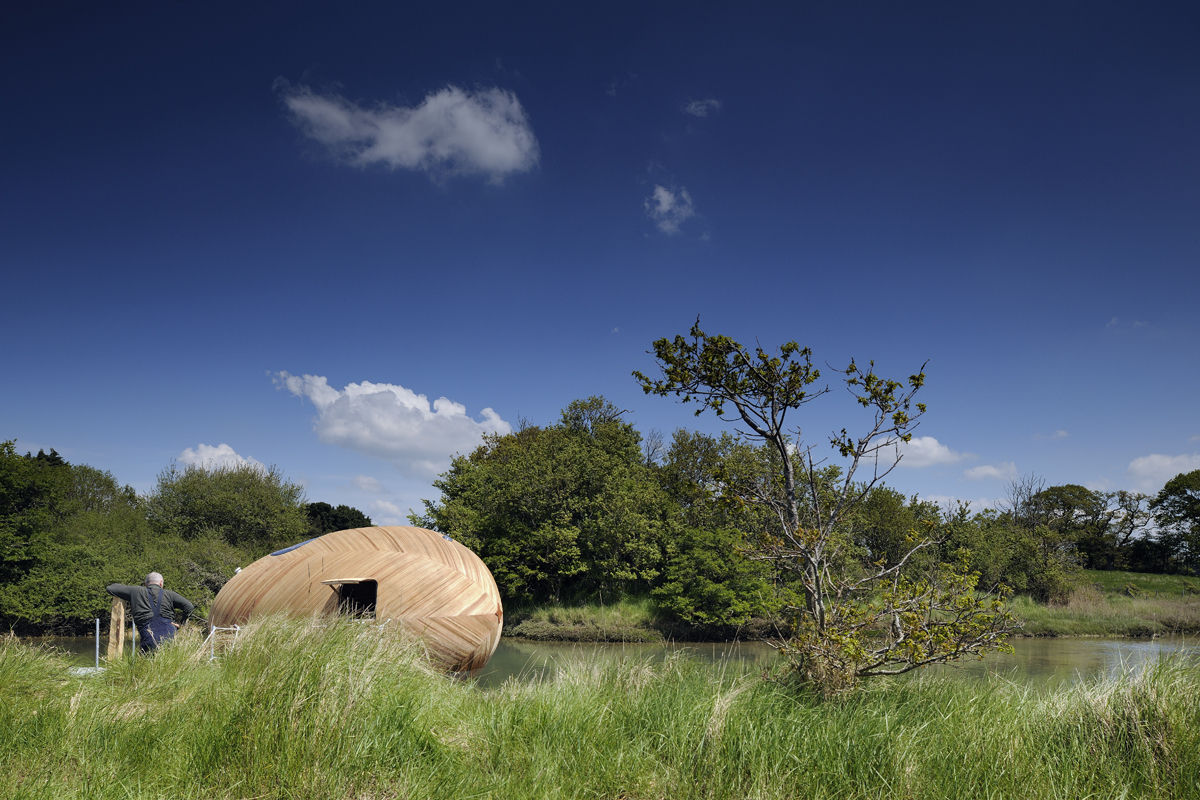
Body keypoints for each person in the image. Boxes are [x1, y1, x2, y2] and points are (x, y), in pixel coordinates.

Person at [106, 572, 195, 653]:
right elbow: (189, 607)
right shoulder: (170, 594)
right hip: (169, 634)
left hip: (147, 634)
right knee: (168, 658)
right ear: (161, 583)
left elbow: (111, 588)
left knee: (147, 660)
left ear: (145, 584)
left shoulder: (136, 591)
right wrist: (181, 624)